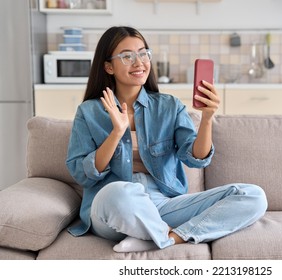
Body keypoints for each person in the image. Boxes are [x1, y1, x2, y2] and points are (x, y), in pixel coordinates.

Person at [66, 26, 268, 252]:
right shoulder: (88, 112)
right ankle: (159, 236)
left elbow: (196, 159)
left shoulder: (169, 106)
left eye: (143, 53)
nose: (139, 62)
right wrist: (116, 132)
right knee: (118, 192)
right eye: (127, 56)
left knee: (252, 195)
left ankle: (169, 237)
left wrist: (208, 118)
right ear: (108, 66)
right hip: (113, 207)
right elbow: (82, 174)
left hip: (162, 204)